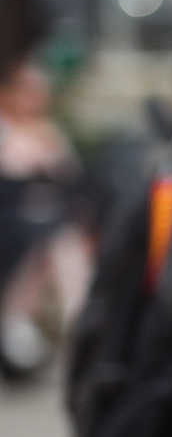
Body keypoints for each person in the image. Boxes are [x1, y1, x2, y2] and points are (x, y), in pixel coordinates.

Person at [0, 49, 89, 380]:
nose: (36, 98)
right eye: (28, 89)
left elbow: (74, 188)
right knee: (49, 241)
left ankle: (70, 322)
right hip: (14, 228)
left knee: (60, 241)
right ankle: (20, 321)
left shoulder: (50, 133)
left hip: (49, 228)